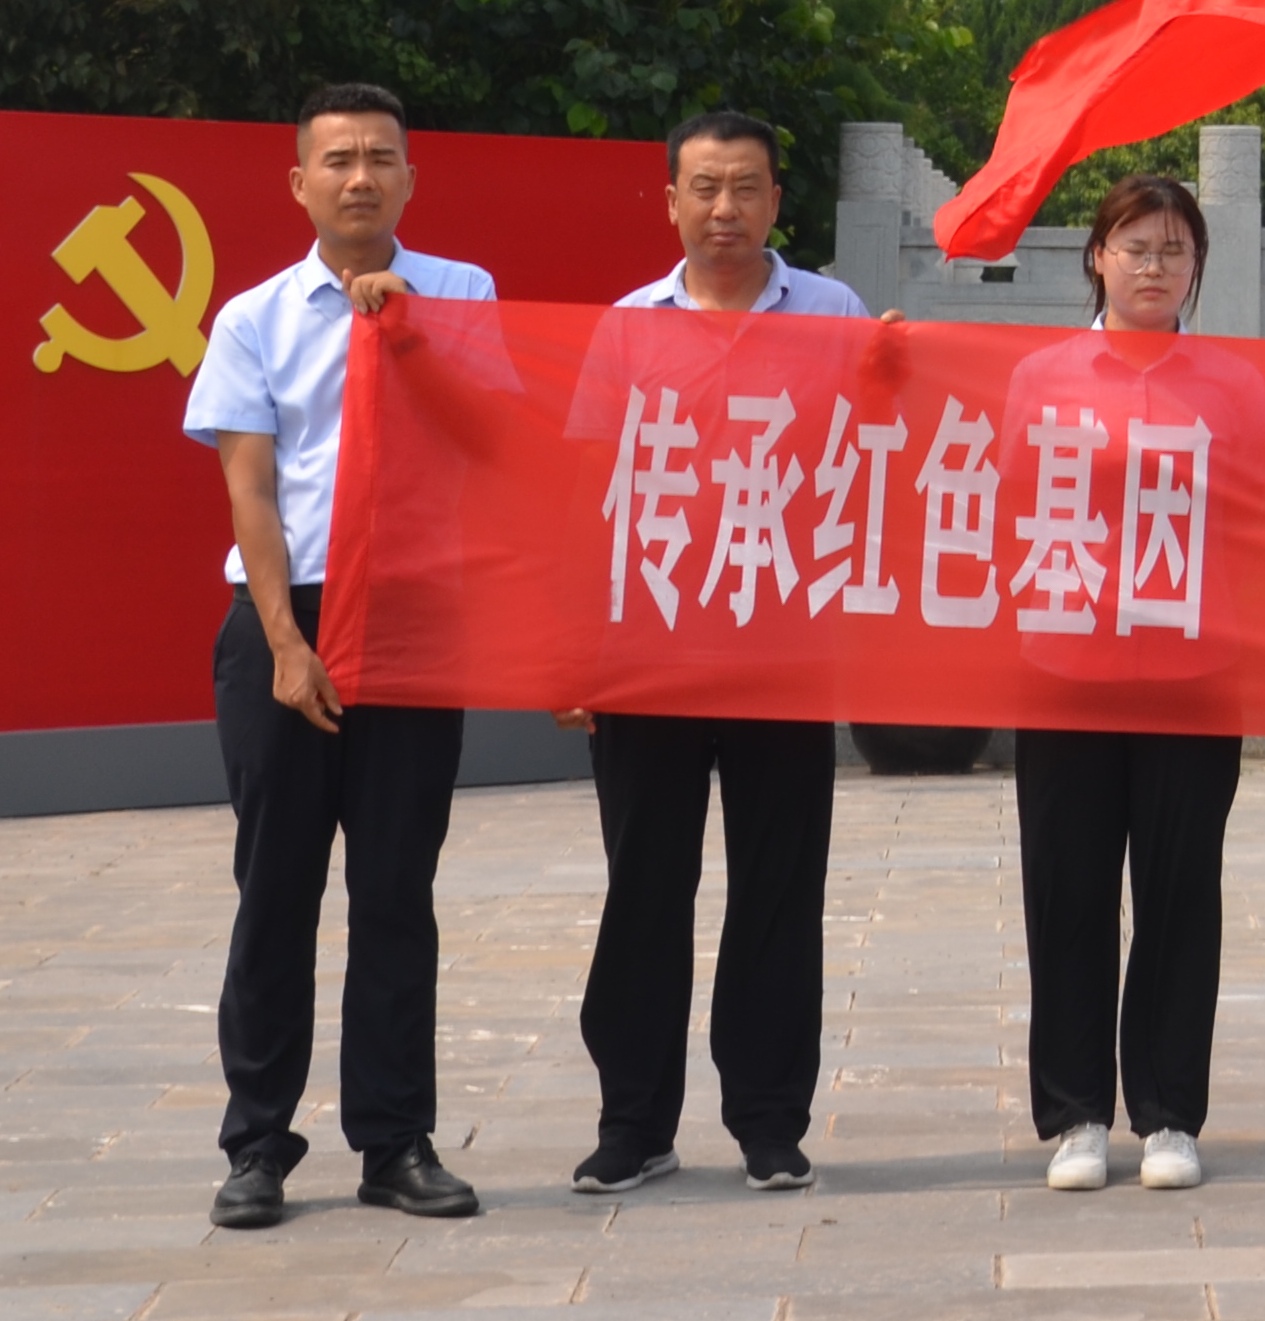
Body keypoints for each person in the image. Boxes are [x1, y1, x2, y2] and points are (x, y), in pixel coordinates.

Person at [184, 85, 495, 1230]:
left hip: (413, 612)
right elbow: (250, 485)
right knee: (275, 890)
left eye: (380, 159)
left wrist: (406, 334)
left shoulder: (460, 294)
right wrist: (282, 642)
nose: (359, 177)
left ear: (410, 178)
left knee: (396, 891)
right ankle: (256, 1143)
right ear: (300, 184)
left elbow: (490, 438)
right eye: (337, 161)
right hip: (287, 611)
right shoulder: (252, 318)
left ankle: (395, 1140)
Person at [569, 110, 867, 1196]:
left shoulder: (832, 314)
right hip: (651, 650)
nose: (724, 208)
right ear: (670, 202)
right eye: (703, 187)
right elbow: (589, 499)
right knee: (644, 885)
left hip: (783, 645)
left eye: (745, 187)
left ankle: (767, 1119)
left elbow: (880, 460)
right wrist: (578, 654)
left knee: (779, 889)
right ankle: (633, 1119)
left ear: (776, 200)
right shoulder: (626, 325)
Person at [1014, 174, 1265, 1193]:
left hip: (1192, 674)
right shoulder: (1037, 374)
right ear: (1096, 258)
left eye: (1172, 250)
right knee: (1066, 893)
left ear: (1195, 266)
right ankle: (1074, 1113)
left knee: (1177, 895)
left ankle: (1167, 1113)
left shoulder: (1232, 382)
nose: (1153, 267)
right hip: (1064, 668)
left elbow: (1262, 518)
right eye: (1135, 247)